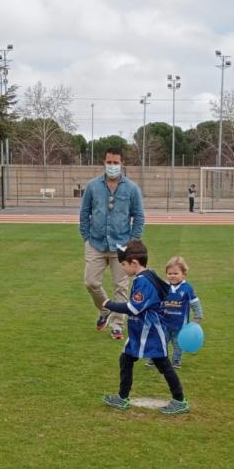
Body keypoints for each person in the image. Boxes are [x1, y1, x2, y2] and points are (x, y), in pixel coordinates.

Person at [101, 240, 189, 415]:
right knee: (125, 359)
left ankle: (179, 400)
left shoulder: (142, 281)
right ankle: (122, 397)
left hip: (150, 331)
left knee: (163, 364)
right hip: (138, 329)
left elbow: (134, 307)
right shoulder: (144, 276)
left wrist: (109, 304)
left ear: (134, 262)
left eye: (123, 264)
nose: (123, 269)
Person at [80, 146, 145, 341]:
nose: (112, 166)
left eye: (116, 162)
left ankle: (117, 325)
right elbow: (85, 213)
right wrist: (86, 236)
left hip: (122, 245)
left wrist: (133, 241)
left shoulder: (132, 188)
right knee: (90, 282)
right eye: (109, 162)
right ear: (104, 162)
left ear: (122, 163)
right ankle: (105, 309)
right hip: (96, 243)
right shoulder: (92, 186)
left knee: (121, 287)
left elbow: (139, 216)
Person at [155, 256, 203, 368]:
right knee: (161, 343)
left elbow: (194, 302)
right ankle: (155, 359)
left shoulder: (187, 288)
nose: (172, 276)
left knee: (178, 345)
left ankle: (176, 361)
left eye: (176, 273)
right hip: (164, 324)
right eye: (169, 273)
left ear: (184, 274)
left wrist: (198, 316)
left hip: (180, 326)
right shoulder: (163, 286)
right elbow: (156, 302)